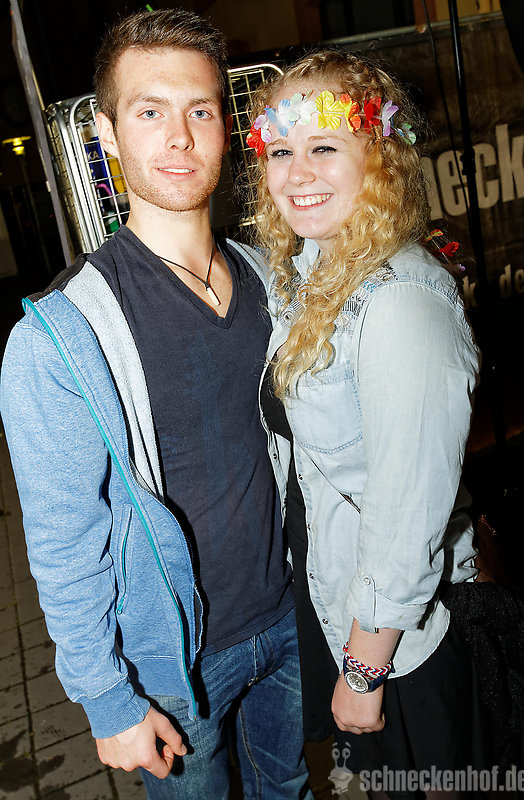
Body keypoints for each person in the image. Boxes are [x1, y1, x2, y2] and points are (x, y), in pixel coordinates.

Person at [0, 10, 312, 800]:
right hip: (171, 667)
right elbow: (63, 541)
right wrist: (107, 701)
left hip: (286, 619)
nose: (178, 136)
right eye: (149, 111)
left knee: (288, 787)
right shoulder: (61, 336)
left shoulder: (267, 279)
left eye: (199, 110)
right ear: (107, 133)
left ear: (224, 126)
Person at [246, 51, 485, 796]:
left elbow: (406, 512)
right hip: (341, 601)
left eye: (323, 147)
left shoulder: (400, 299)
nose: (296, 174)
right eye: (280, 152)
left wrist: (363, 671)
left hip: (402, 640)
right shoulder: (314, 272)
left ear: (376, 159)